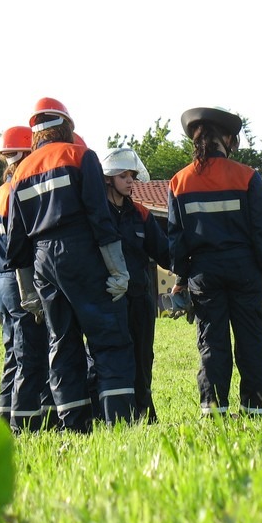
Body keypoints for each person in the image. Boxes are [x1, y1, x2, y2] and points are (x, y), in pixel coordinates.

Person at [5, 97, 136, 432]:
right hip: (82, 253)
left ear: (36, 134)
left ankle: (74, 426)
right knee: (108, 337)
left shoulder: (20, 172)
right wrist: (118, 269)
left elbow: (16, 238)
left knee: (61, 342)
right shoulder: (81, 156)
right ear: (66, 126)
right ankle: (117, 421)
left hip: (42, 261)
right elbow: (99, 215)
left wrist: (27, 290)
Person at [167, 107, 262, 418]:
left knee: (212, 341)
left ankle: (213, 409)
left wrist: (180, 276)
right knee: (252, 339)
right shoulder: (247, 177)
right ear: (227, 139)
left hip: (204, 272)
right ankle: (257, 406)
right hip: (245, 268)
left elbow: (176, 238)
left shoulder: (180, 181)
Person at [0, 126, 55, 431]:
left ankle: (6, 418)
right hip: (18, 281)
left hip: (1, 282)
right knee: (31, 354)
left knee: (13, 354)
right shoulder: (17, 190)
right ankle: (25, 426)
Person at [97, 147, 171, 423]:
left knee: (142, 358)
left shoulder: (140, 213)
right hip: (108, 301)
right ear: (108, 178)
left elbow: (165, 252)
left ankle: (144, 413)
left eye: (132, 176)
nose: (130, 181)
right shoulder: (96, 214)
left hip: (140, 298)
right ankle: (111, 416)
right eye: (124, 176)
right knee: (110, 360)